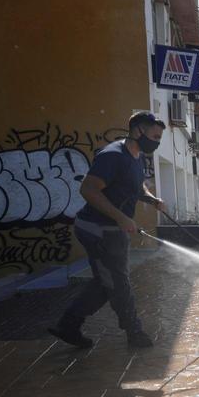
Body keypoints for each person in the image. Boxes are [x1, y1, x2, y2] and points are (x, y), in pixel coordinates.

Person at [48, 111, 166, 349]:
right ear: (138, 131)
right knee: (118, 282)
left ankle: (68, 325)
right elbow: (89, 190)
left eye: (159, 138)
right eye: (154, 136)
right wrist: (121, 218)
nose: (156, 141)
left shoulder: (136, 156)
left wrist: (151, 199)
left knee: (106, 281)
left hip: (111, 228)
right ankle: (134, 333)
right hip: (99, 229)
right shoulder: (113, 155)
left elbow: (135, 184)